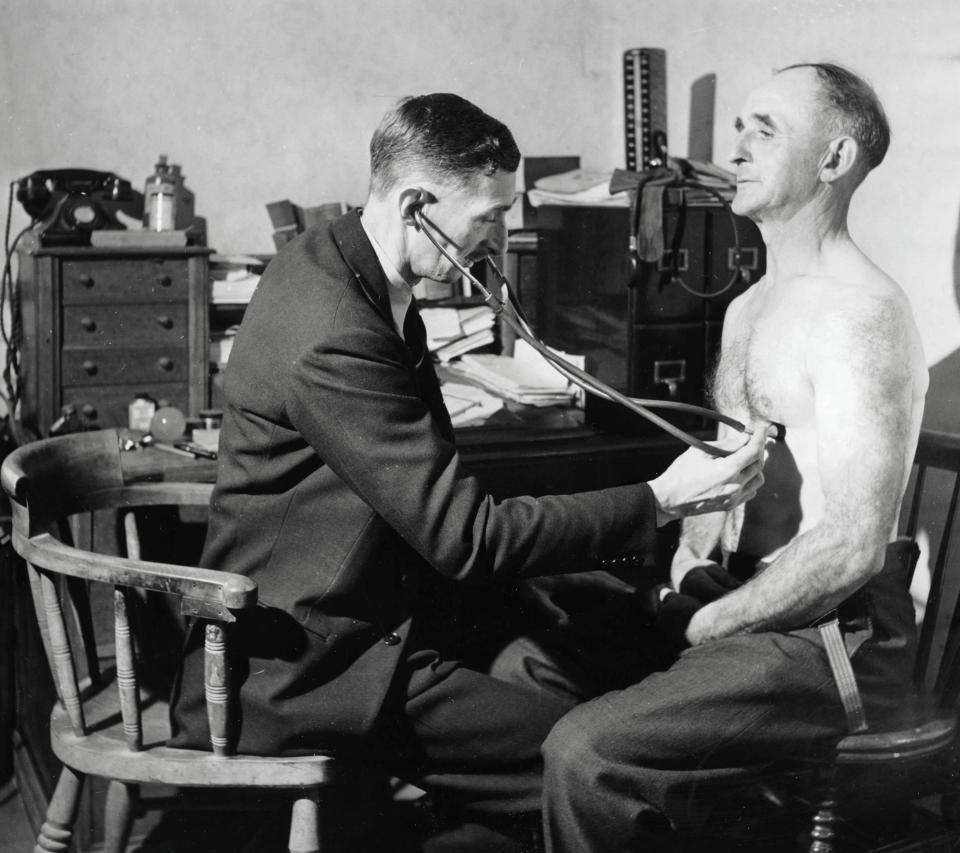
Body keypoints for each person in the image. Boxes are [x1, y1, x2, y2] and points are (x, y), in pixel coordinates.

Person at [168, 93, 765, 852]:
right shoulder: (334, 331)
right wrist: (660, 499)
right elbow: (467, 538)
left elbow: (444, 509)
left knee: (592, 647)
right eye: (488, 216)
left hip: (374, 614)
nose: (498, 238)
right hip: (313, 667)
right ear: (417, 205)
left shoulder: (344, 264)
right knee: (593, 761)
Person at [507, 63, 928, 851]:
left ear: (834, 160)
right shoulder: (747, 307)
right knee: (525, 671)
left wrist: (706, 622)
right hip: (743, 601)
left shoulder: (862, 317)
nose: (735, 149)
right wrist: (684, 575)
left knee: (587, 750)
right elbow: (726, 476)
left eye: (764, 130)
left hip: (831, 635)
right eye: (739, 127)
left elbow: (849, 547)